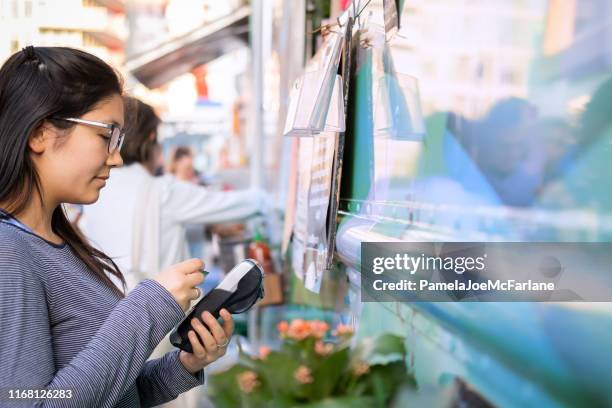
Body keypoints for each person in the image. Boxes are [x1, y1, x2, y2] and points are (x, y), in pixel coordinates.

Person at [0, 46, 233, 407]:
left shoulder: (60, 242)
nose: (117, 157)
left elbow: (114, 391)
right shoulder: (9, 251)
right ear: (41, 134)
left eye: (119, 139)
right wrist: (149, 305)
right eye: (106, 135)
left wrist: (185, 363)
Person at [80, 97, 265, 291]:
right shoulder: (162, 191)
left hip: (108, 306)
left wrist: (205, 230)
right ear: (151, 138)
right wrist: (276, 202)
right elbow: (238, 204)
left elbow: (153, 232)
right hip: (159, 311)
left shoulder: (97, 187)